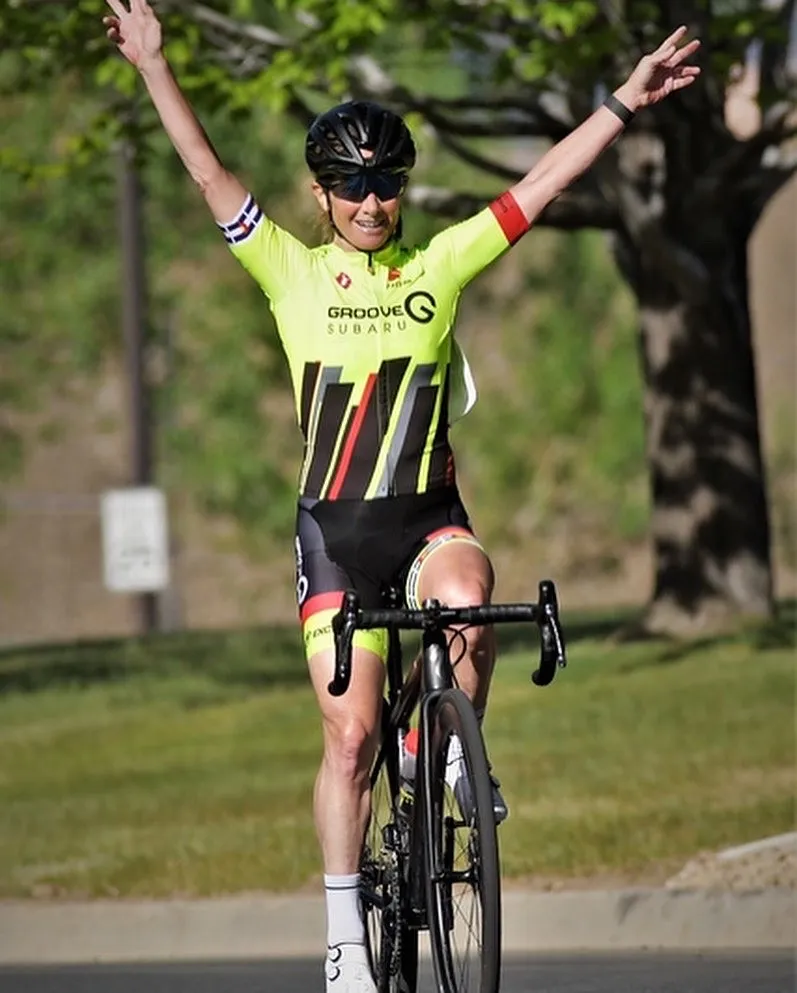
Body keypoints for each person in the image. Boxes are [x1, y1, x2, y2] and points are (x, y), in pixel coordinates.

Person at [102, 4, 701, 990]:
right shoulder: (287, 271)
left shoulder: (438, 266)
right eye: (351, 186)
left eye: (385, 183)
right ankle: (345, 940)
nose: (372, 201)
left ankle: (450, 759)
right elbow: (208, 171)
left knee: (471, 595)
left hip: (426, 525)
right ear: (322, 196)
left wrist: (623, 104)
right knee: (347, 738)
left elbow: (538, 186)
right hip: (336, 536)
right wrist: (157, 67)